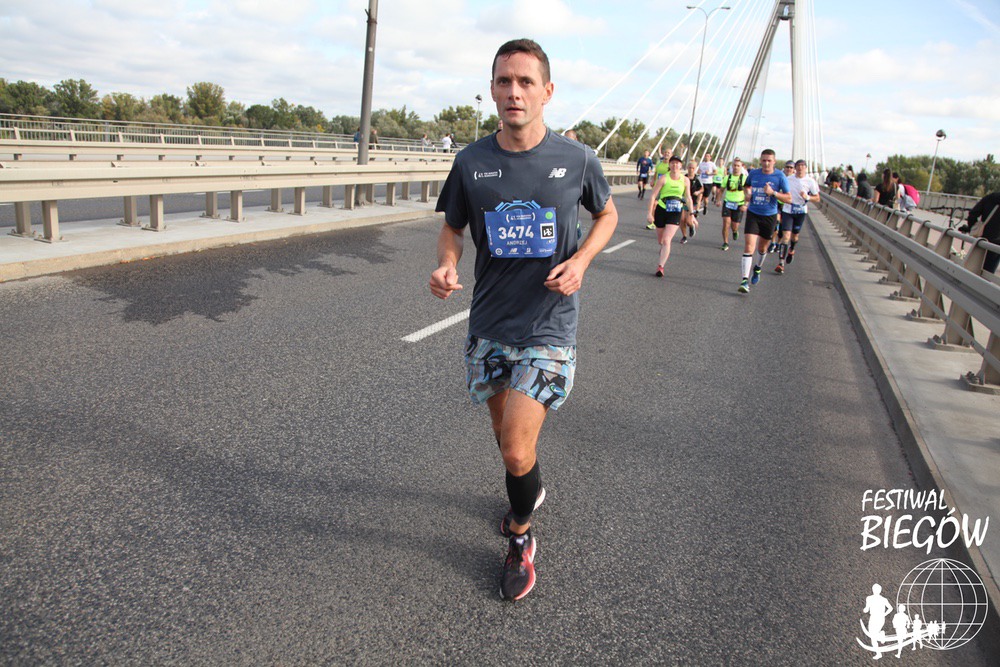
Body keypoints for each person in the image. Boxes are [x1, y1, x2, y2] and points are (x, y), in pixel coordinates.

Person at [430, 38, 619, 603]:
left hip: (548, 327)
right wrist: (445, 265)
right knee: (506, 441)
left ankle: (520, 535)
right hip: (489, 325)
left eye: (526, 81)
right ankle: (526, 488)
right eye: (504, 81)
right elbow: (453, 228)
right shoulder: (471, 162)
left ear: (547, 91)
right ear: (492, 90)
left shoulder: (577, 159)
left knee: (514, 448)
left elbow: (607, 214)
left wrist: (582, 261)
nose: (514, 91)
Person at [738, 148, 791, 293]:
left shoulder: (780, 176)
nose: (766, 163)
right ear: (760, 161)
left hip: (769, 216)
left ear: (774, 162)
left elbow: (788, 198)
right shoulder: (754, 173)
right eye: (764, 160)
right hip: (753, 214)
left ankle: (758, 268)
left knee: (762, 248)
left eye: (769, 161)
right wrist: (747, 193)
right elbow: (746, 186)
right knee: (749, 247)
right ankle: (744, 280)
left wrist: (773, 193)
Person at [646, 155, 694, 275]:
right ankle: (663, 250)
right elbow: (653, 196)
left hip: (676, 211)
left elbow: (688, 198)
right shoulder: (664, 178)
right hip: (662, 209)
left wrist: (692, 214)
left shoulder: (685, 180)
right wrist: (649, 213)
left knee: (667, 239)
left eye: (677, 163)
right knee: (661, 241)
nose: (675, 165)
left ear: (681, 165)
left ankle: (660, 267)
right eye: (672, 163)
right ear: (669, 165)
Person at [774, 159, 820, 273]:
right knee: (786, 236)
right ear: (795, 168)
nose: (800, 168)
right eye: (798, 166)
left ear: (806, 168)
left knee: (795, 237)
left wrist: (807, 197)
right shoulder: (788, 179)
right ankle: (781, 263)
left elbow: (817, 198)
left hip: (800, 211)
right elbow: (781, 191)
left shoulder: (810, 181)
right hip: (788, 209)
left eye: (802, 166)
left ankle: (792, 249)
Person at [958, 191, 1000, 274]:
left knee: (973, 268)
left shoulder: (990, 197)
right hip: (997, 244)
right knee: (988, 273)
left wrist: (973, 228)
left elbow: (973, 214)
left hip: (982, 239)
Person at [720, 157, 747, 251]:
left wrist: (745, 204)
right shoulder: (727, 177)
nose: (736, 167)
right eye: (734, 165)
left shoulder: (744, 178)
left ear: (741, 167)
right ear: (732, 166)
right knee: (726, 223)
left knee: (734, 226)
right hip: (728, 203)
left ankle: (735, 231)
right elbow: (721, 190)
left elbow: (748, 193)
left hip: (739, 204)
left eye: (738, 166)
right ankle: (725, 242)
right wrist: (718, 200)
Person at [682, 160, 704, 243]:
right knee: (682, 220)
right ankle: (684, 236)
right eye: (689, 167)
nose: (691, 169)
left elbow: (702, 189)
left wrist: (698, 192)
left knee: (688, 221)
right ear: (687, 168)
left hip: (692, 202)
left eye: (693, 168)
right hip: (684, 200)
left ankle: (691, 226)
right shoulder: (684, 177)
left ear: (695, 169)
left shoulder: (697, 178)